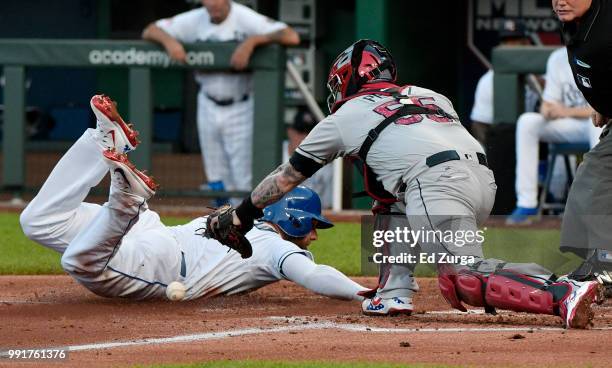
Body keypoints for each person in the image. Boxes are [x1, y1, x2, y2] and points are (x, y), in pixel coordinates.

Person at [212, 39, 603, 328]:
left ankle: (561, 292)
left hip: (437, 186)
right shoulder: (430, 95)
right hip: (481, 181)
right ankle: (393, 292)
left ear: (347, 79)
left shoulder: (345, 115)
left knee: (463, 276)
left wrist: (243, 214)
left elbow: (287, 177)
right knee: (387, 198)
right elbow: (391, 176)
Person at [18, 94, 366, 302]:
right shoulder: (275, 247)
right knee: (79, 263)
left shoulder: (238, 222)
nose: (315, 235)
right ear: (294, 218)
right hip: (161, 264)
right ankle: (126, 200)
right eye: (313, 226)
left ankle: (101, 141)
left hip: (153, 235)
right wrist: (363, 293)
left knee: (37, 222)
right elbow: (314, 274)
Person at [142, 0, 300, 206]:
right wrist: (170, 42)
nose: (213, 5)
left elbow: (291, 35)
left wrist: (252, 42)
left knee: (243, 176)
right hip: (207, 101)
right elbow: (150, 31)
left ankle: (245, 223)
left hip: (240, 104)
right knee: (215, 174)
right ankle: (222, 221)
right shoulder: (195, 19)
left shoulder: (244, 17)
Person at [552, 0, 612, 295]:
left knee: (596, 178)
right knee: (596, 179)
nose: (560, 1)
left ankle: (606, 265)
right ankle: (599, 262)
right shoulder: (577, 20)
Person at [506, 47, 599, 225]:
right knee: (528, 122)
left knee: (595, 124)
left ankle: (596, 205)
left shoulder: (602, 53)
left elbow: (602, 109)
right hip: (570, 125)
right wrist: (547, 110)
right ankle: (526, 203)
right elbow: (549, 102)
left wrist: (564, 111)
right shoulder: (558, 57)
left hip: (599, 125)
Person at [470, 19, 538, 147]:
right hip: (503, 142)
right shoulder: (489, 80)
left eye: (516, 42)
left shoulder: (539, 75)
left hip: (537, 137)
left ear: (527, 43)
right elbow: (480, 124)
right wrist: (493, 153)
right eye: (507, 42)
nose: (511, 47)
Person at [285, 108, 333, 209]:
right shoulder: (275, 155)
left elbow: (328, 207)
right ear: (290, 131)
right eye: (300, 132)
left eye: (310, 133)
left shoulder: (324, 160)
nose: (305, 138)